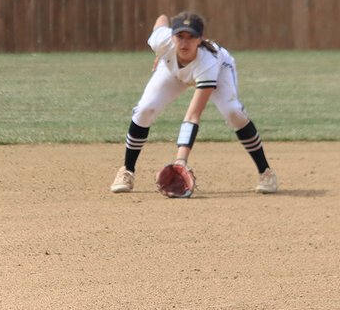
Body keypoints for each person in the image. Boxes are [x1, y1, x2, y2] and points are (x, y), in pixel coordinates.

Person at [109, 12, 278, 195]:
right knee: (144, 110)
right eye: (180, 36)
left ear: (200, 39)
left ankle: (266, 172)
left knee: (233, 112)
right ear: (172, 36)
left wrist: (180, 160)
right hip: (172, 71)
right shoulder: (162, 41)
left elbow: (193, 115)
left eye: (191, 37)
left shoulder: (208, 61)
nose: (184, 42)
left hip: (218, 71)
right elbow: (162, 18)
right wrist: (160, 52)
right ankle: (127, 170)